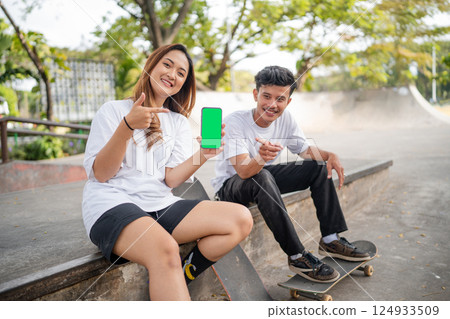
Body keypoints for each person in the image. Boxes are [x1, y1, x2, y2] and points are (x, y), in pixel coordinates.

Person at [82, 43, 253, 301]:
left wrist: (204, 154)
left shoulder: (178, 121)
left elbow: (171, 178)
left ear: (183, 84)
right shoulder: (114, 110)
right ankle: (169, 272)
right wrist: (127, 126)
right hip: (113, 203)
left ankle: (179, 276)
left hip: (159, 203)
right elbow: (102, 174)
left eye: (181, 73)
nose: (173, 74)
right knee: (166, 250)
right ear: (151, 65)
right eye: (167, 64)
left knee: (240, 219)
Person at [212, 65, 369, 283]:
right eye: (266, 96)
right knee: (262, 176)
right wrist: (261, 158)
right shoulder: (235, 122)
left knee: (318, 166)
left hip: (261, 176)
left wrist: (328, 154)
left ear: (288, 101)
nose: (272, 105)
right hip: (230, 189)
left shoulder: (286, 120)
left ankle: (331, 239)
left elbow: (304, 150)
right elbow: (244, 170)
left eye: (280, 99)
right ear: (256, 94)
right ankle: (296, 256)